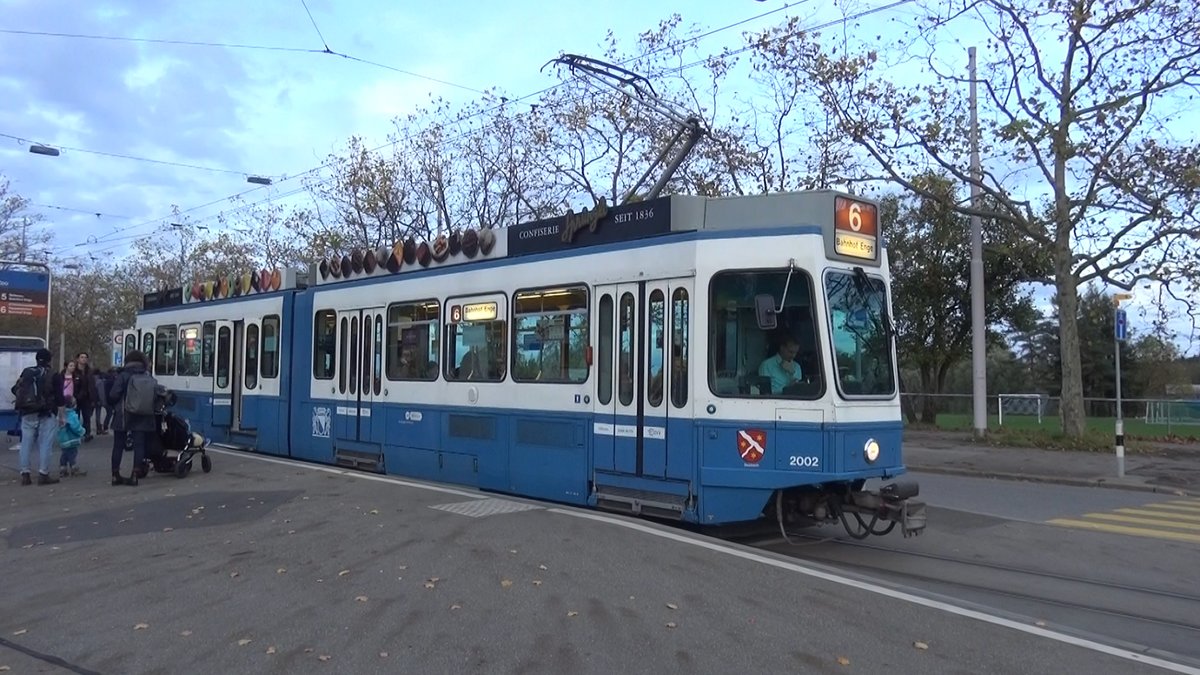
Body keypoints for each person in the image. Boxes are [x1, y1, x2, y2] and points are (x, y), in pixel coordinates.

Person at [11, 348, 64, 486]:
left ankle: (25, 474)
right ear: (49, 360)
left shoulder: (27, 372)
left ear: (36, 359)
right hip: (46, 414)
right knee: (45, 444)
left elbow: (15, 388)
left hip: (28, 413)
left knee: (26, 444)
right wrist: (61, 416)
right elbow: (60, 399)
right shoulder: (54, 374)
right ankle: (43, 474)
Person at [107, 350, 158, 487]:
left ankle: (115, 475)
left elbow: (113, 394)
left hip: (123, 414)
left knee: (118, 445)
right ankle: (135, 475)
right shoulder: (148, 376)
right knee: (139, 446)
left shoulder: (123, 375)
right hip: (142, 415)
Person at [57, 395, 87, 477]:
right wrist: (82, 431)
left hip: (63, 439)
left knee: (64, 454)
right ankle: (74, 468)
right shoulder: (72, 415)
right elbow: (75, 427)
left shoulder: (61, 415)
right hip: (72, 439)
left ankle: (63, 468)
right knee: (72, 454)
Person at [74, 352, 99, 442]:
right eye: (82, 357)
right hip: (75, 398)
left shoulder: (89, 371)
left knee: (86, 417)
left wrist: (94, 398)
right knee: (75, 417)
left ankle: (87, 433)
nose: (84, 359)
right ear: (78, 359)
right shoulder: (74, 371)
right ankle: (75, 433)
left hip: (87, 398)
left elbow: (93, 385)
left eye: (85, 357)